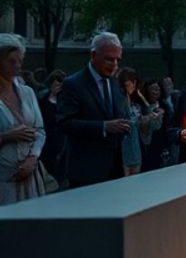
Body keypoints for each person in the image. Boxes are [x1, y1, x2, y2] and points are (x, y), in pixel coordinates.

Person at [56, 32, 130, 188]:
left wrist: (124, 126)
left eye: (117, 60)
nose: (114, 64)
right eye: (109, 59)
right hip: (85, 171)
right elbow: (64, 123)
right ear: (93, 55)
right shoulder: (73, 84)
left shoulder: (115, 84)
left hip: (114, 169)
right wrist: (103, 126)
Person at [0, 34, 47, 204]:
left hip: (30, 176)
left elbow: (40, 131)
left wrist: (32, 158)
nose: (18, 66)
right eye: (11, 61)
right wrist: (7, 136)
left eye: (20, 61)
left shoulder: (27, 93)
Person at [37, 70, 66, 184]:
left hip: (63, 141)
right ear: (50, 86)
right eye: (56, 85)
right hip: (48, 143)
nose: (59, 88)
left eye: (61, 85)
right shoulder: (43, 102)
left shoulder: (67, 101)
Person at [141, 80, 170, 171]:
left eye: (157, 89)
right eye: (152, 89)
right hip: (144, 147)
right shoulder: (142, 107)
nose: (155, 92)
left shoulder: (164, 106)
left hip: (160, 145)